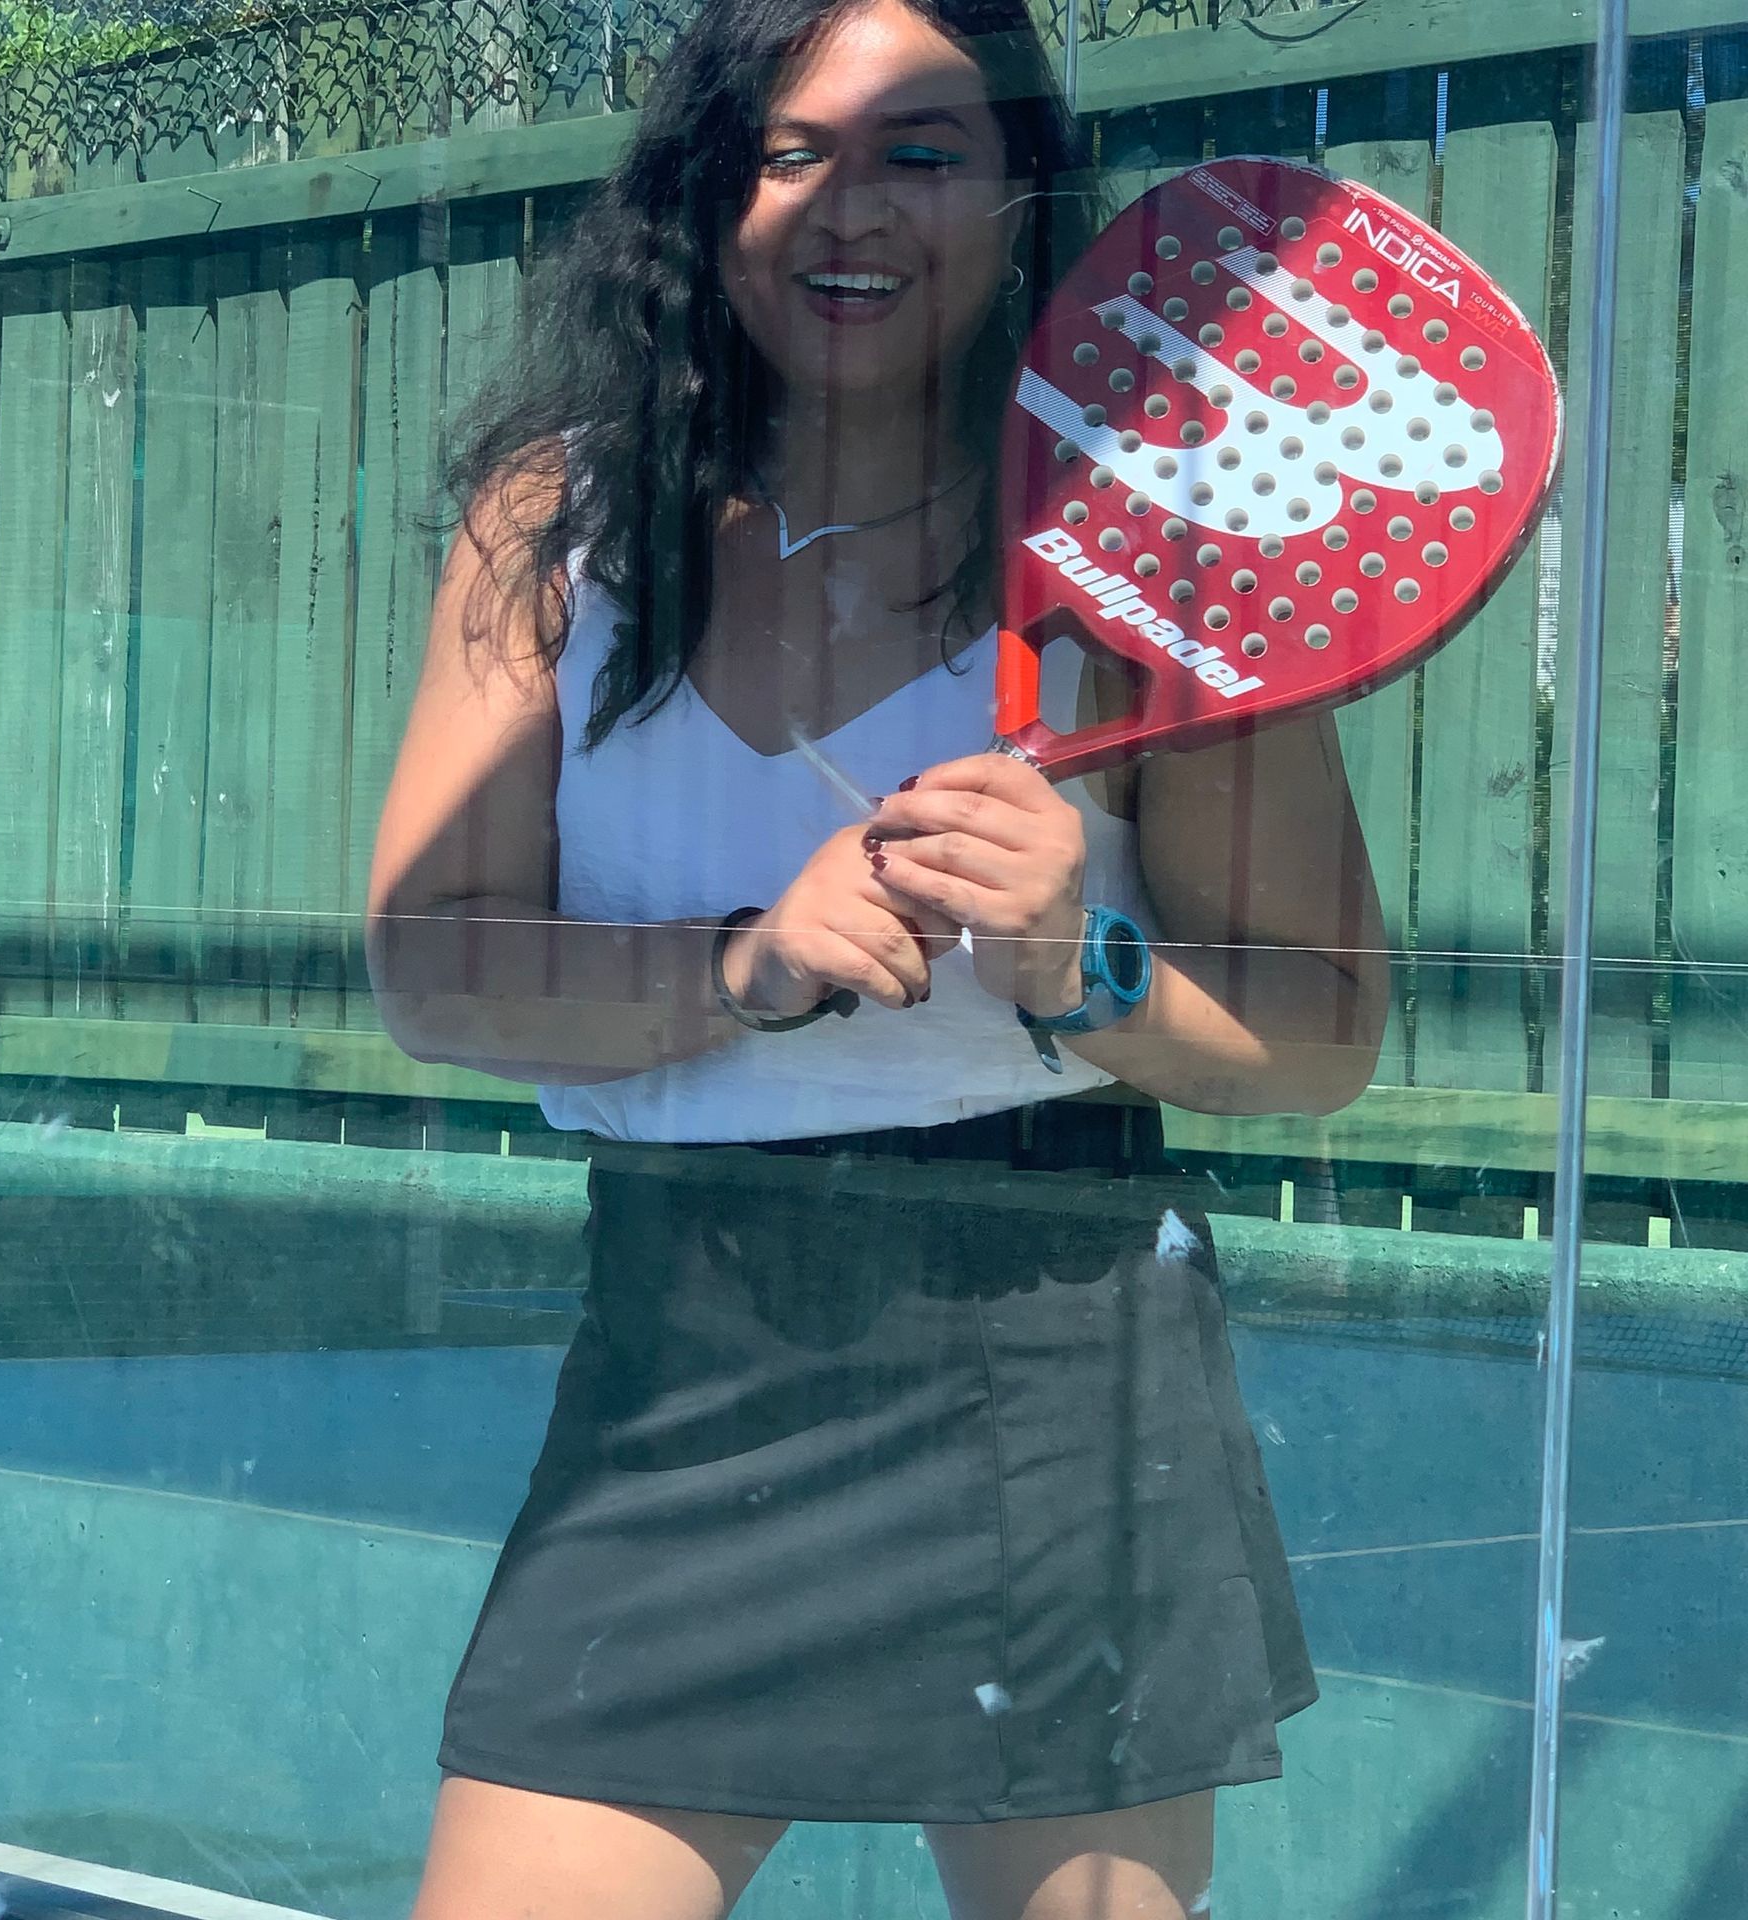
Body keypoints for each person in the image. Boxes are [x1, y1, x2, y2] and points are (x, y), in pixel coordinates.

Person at [366, 0, 1389, 1912]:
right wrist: (742, 960)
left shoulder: (1149, 544)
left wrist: (1087, 961)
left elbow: (1321, 1033)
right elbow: (432, 960)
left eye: (924, 153)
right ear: (704, 191)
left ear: (1020, 197)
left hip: (1052, 1362)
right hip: (681, 1358)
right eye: (788, 149)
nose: (852, 207)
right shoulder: (555, 521)